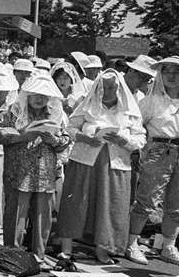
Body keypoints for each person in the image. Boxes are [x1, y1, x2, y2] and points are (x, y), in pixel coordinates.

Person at [58, 69, 145, 263]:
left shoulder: (129, 111)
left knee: (111, 205)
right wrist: (84, 137)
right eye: (103, 87)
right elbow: (69, 128)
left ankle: (102, 249)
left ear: (119, 88)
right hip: (85, 161)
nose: (107, 92)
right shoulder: (87, 106)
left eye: (112, 88)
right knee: (76, 202)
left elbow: (140, 139)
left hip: (116, 164)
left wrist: (123, 140)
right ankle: (66, 247)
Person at [0, 74, 71, 264]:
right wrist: (23, 136)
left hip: (45, 171)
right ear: (27, 94)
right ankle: (12, 254)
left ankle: (39, 255)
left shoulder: (55, 113)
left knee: (43, 215)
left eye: (44, 96)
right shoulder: (13, 112)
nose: (40, 99)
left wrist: (53, 140)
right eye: (36, 94)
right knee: (16, 214)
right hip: (18, 171)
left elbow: (65, 140)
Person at [128, 56, 179, 265]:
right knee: (147, 199)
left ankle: (168, 245)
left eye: (176, 72)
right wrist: (144, 149)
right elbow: (136, 126)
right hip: (159, 149)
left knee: (176, 204)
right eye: (166, 72)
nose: (171, 76)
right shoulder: (150, 101)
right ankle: (131, 242)